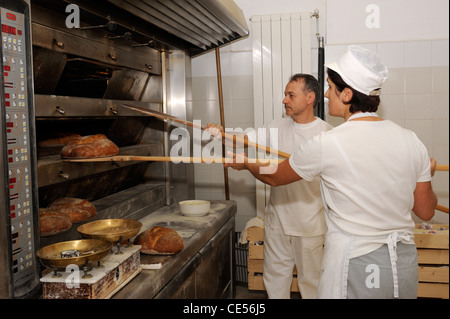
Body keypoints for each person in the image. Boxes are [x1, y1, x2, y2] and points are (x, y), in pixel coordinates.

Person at [224, 45, 437, 299]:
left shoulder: (328, 142)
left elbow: (275, 176)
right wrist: (426, 176)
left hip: (354, 262)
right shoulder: (411, 140)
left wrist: (247, 164)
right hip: (401, 263)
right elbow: (425, 211)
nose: (326, 94)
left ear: (347, 94)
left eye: (330, 88)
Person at [208, 74, 332, 299]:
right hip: (277, 220)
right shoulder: (276, 127)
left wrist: (247, 164)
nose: (284, 100)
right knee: (274, 281)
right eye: (285, 94)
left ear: (309, 98)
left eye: (291, 95)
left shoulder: (327, 134)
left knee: (312, 284)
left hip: (310, 225)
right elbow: (246, 138)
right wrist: (221, 134)